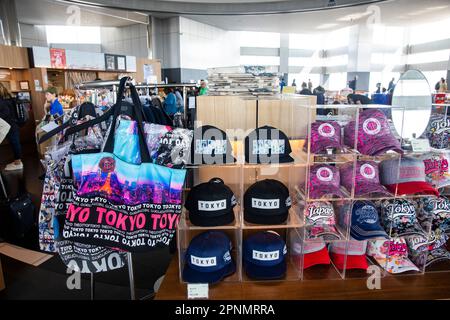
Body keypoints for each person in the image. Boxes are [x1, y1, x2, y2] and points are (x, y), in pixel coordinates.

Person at [0, 83, 23, 171]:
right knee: (15, 143)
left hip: (9, 125)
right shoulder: (9, 96)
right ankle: (17, 162)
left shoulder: (2, 100)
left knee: (14, 143)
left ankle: (18, 163)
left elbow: (5, 113)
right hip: (14, 124)